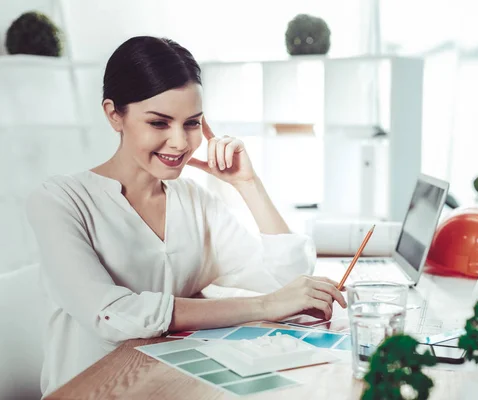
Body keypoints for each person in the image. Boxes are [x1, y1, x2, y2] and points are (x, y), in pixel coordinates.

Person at [26, 36, 346, 397]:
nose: (180, 142)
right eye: (160, 123)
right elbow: (113, 315)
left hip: (172, 384)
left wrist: (248, 184)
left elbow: (288, 281)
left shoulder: (195, 200)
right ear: (114, 114)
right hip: (95, 391)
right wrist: (264, 307)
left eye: (192, 123)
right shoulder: (60, 200)